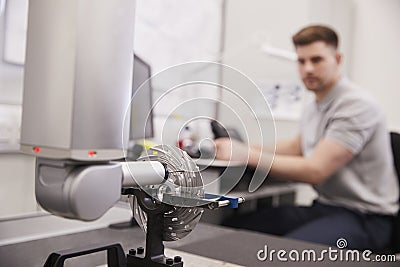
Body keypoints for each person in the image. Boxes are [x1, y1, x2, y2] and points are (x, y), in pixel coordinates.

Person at [215, 25, 399, 251]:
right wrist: (240, 148)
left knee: (287, 255)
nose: (308, 69)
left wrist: (246, 154)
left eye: (317, 60)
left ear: (338, 59)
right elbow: (297, 146)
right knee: (233, 228)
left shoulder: (357, 106)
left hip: (366, 217)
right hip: (326, 207)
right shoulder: (316, 105)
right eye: (301, 61)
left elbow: (315, 170)